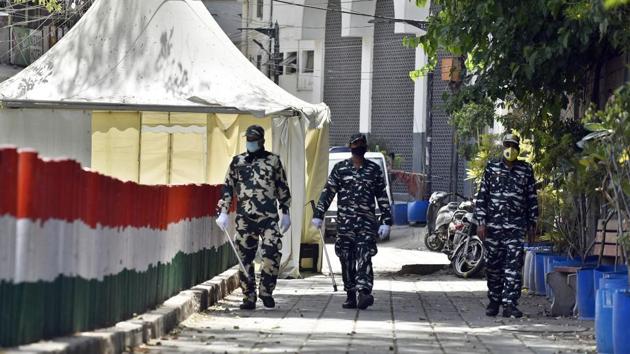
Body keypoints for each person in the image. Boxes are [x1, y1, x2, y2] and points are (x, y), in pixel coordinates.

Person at [311, 133, 392, 310]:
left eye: (361, 145)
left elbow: (382, 196)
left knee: (364, 257)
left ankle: (364, 292)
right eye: (356, 145)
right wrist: (318, 214)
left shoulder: (373, 170)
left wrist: (386, 220)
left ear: (365, 148)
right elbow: (328, 192)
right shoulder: (340, 169)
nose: (358, 148)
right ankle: (350, 294)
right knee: (346, 259)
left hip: (366, 224)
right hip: (345, 224)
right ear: (350, 147)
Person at [216, 125, 291, 310]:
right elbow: (227, 187)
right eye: (248, 139)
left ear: (261, 141)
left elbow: (282, 186)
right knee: (244, 258)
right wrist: (223, 211)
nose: (250, 142)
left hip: (268, 218)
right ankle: (248, 296)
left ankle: (266, 291)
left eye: (253, 139)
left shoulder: (273, 161)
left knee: (271, 253)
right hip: (245, 219)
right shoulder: (237, 162)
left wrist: (286, 212)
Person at [474, 134, 538, 318]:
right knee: (493, 266)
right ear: (503, 147)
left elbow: (531, 197)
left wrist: (533, 221)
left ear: (518, 148)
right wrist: (481, 222)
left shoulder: (526, 170)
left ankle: (510, 305)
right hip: (493, 227)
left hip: (516, 228)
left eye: (513, 145)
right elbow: (483, 196)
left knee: (513, 267)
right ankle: (494, 301)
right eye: (507, 145)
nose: (510, 148)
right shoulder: (492, 167)